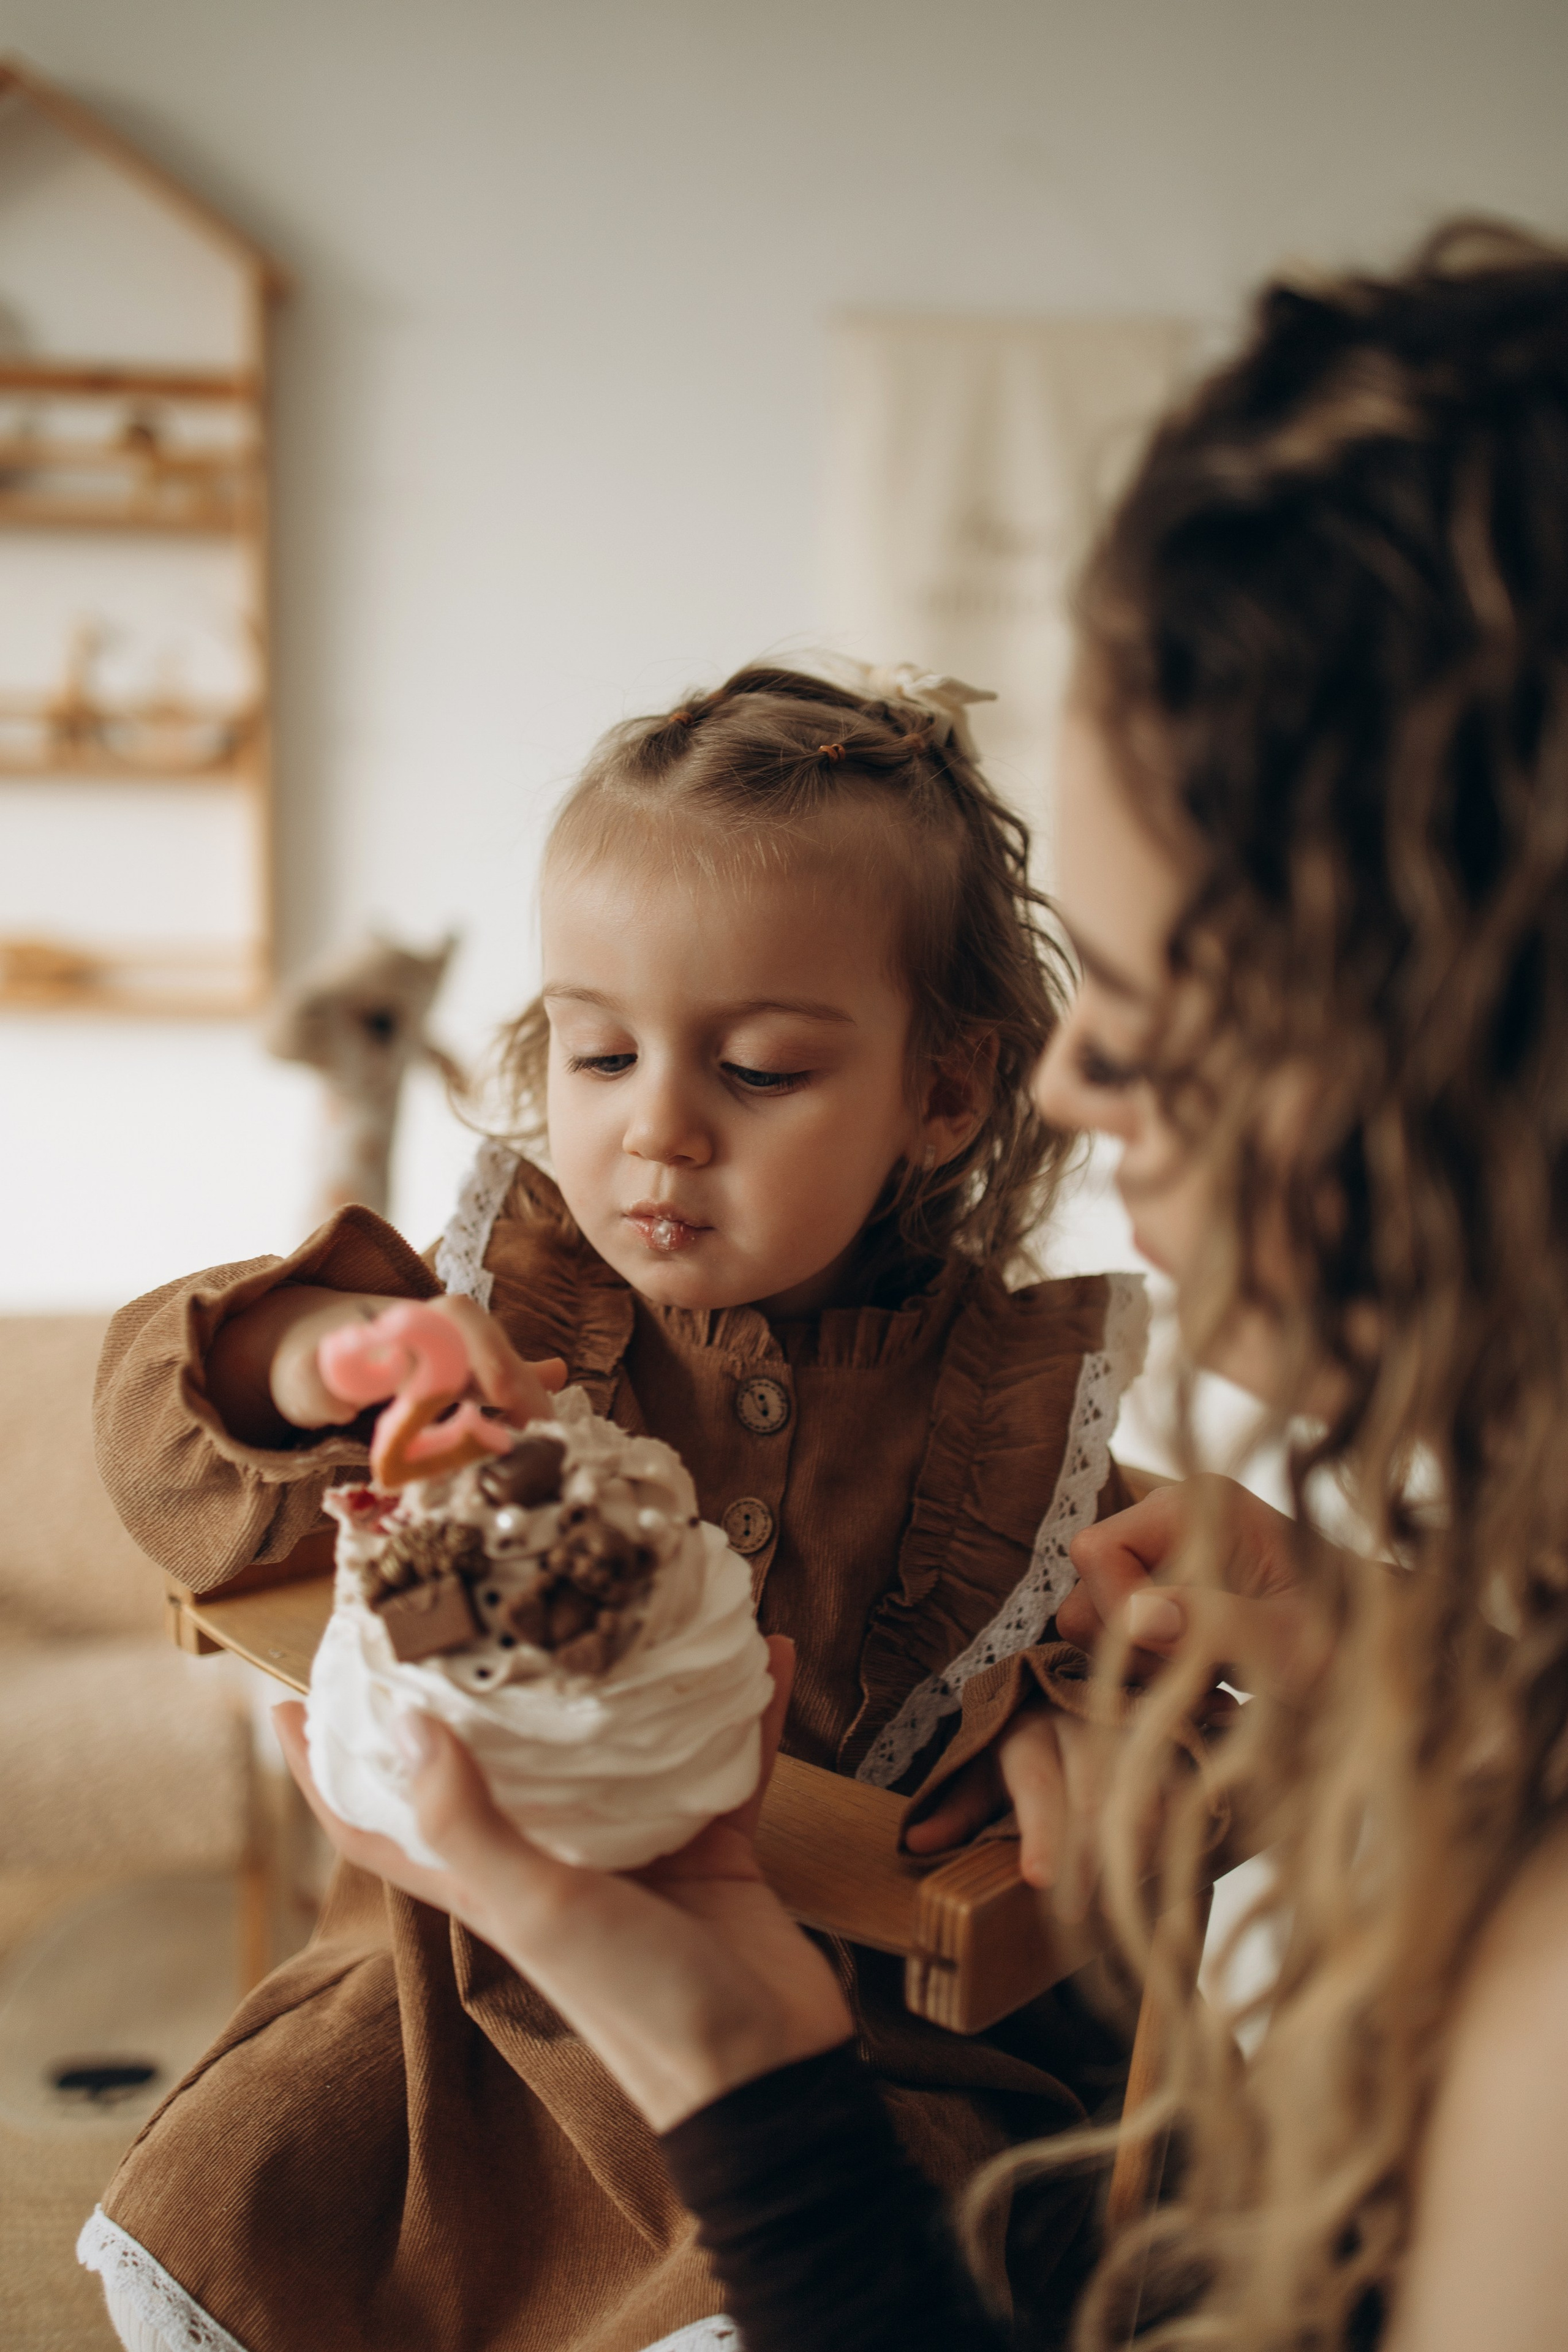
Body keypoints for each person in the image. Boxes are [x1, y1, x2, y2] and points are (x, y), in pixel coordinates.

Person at [270, 222, 1568, 2352]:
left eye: (1155, 1002)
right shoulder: (516, 1302)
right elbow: (195, 1392)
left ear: (1460, 1046)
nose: (1090, 1084)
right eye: (600, 1049)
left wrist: (753, 2080)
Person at [80, 665, 1162, 2352]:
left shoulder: (1005, 1420)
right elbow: (167, 1420)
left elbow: (1132, 1624)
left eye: (760, 1072)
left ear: (942, 1098)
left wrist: (1092, 1705)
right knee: (245, 2193)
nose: (658, 1128)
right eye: (601, 1051)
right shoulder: (502, 1329)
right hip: (446, 2010)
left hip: (835, 2034)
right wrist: (325, 1357)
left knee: (897, 2230)